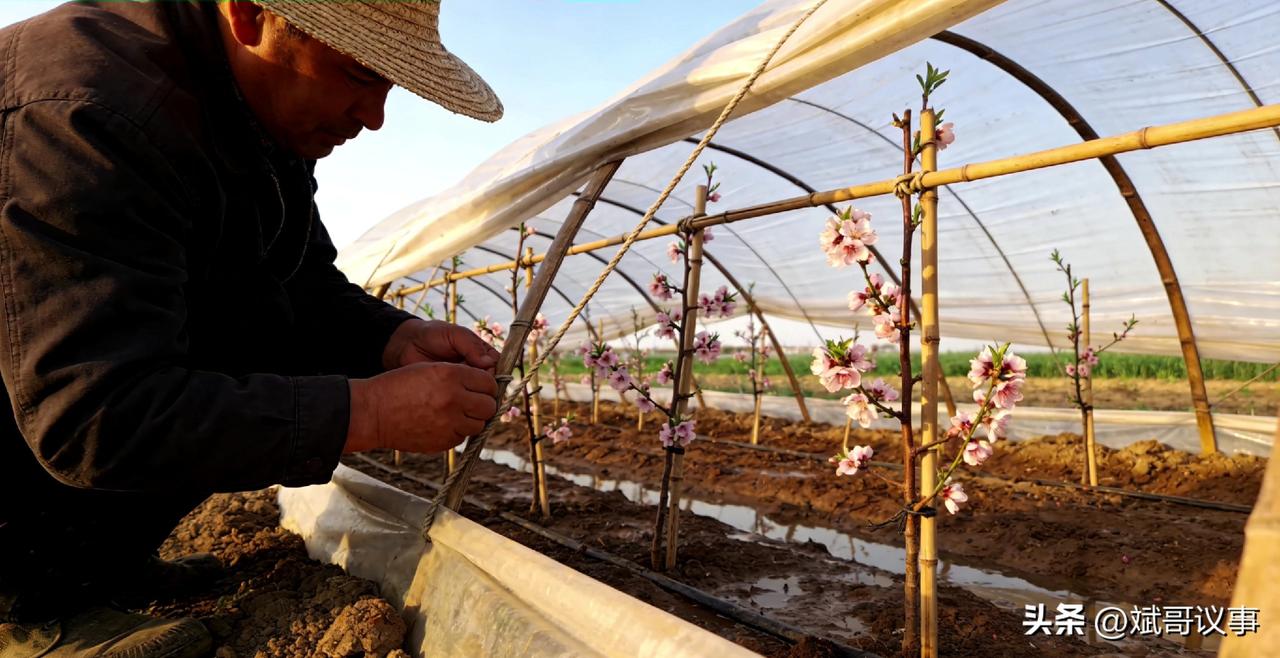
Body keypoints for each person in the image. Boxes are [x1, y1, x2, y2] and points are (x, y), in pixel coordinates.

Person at [0, 1, 505, 656]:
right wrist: (369, 415)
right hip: (45, 408)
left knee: (254, 330)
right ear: (247, 16)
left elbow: (298, 282)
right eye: (358, 74)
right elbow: (95, 413)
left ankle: (95, 567)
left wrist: (392, 338)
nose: (376, 118)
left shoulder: (250, 116)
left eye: (389, 85)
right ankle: (23, 602)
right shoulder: (88, 114)